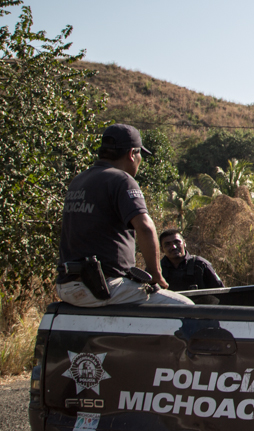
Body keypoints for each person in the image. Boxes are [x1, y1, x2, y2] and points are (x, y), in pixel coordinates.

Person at [55, 124, 193, 307]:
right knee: (188, 310)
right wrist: (156, 275)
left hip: (67, 286)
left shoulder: (79, 180)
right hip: (102, 287)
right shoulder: (122, 180)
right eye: (139, 155)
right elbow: (145, 227)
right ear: (131, 154)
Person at [159, 229, 225, 292]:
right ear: (161, 249)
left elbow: (221, 292)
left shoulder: (201, 265)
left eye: (177, 242)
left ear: (184, 243)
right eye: (167, 244)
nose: (173, 247)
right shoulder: (157, 269)